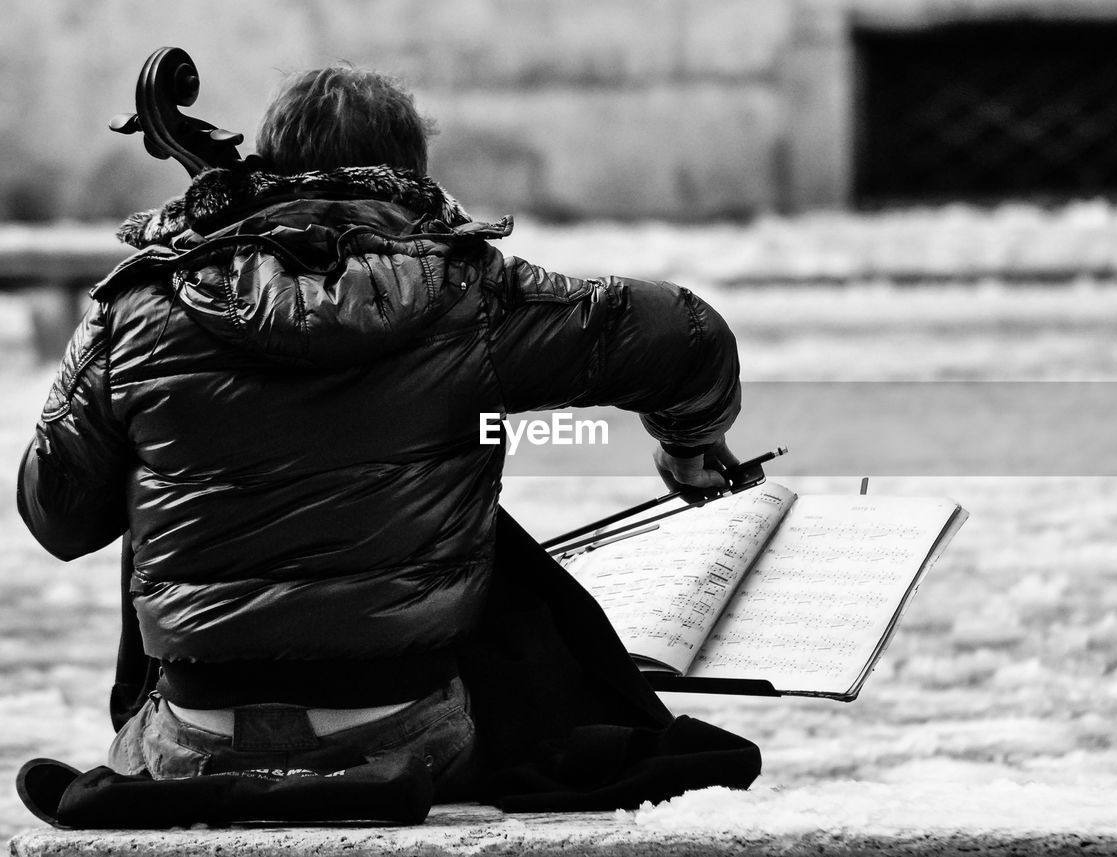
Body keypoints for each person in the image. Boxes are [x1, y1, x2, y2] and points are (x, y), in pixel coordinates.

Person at [16, 66, 748, 809]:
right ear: (411, 174)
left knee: (156, 485)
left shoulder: (141, 304)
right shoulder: (474, 296)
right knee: (481, 537)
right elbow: (689, 335)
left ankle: (176, 776)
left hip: (191, 739)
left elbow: (60, 518)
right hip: (408, 734)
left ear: (267, 166)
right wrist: (687, 444)